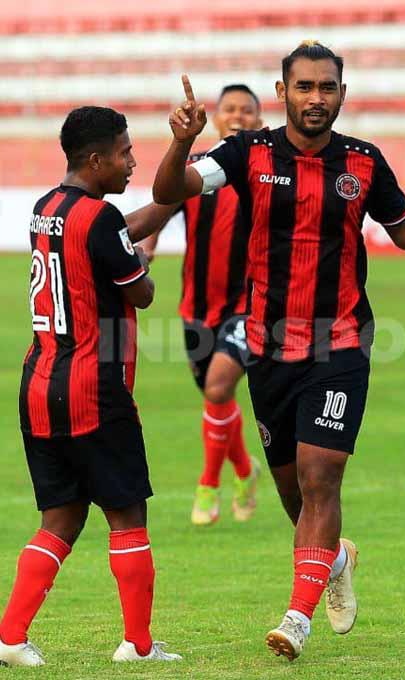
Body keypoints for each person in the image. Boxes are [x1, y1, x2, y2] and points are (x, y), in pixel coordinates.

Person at [152, 42, 405, 660]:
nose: (315, 98)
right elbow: (171, 188)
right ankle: (337, 555)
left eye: (326, 88)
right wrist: (182, 142)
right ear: (282, 91)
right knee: (295, 495)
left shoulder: (365, 163)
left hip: (341, 341)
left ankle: (296, 618)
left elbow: (402, 231)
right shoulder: (247, 151)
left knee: (322, 477)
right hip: (267, 348)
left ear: (342, 94)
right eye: (304, 87)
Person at [0, 106, 181, 667]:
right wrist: (141, 262)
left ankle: (9, 638)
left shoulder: (48, 207)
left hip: (40, 382)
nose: (131, 161)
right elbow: (141, 292)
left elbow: (108, 240)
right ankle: (138, 646)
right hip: (93, 385)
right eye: (124, 152)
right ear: (95, 160)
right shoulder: (101, 217)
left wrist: (173, 199)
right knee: (127, 515)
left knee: (62, 518)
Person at [141, 84, 266, 527]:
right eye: (230, 109)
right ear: (217, 118)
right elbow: (162, 208)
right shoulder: (198, 170)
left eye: (247, 110)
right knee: (219, 401)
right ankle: (246, 472)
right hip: (196, 306)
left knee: (218, 388)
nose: (238, 116)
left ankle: (208, 484)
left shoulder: (267, 169)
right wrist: (147, 250)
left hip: (247, 305)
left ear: (259, 117)